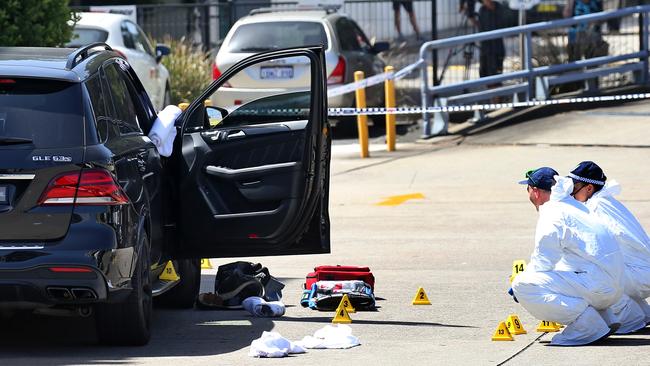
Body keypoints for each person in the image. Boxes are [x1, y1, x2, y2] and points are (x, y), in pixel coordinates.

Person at [511, 167, 625, 345]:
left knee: (523, 285)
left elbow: (544, 259)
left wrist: (522, 281)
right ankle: (605, 318)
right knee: (563, 268)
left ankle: (588, 327)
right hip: (615, 287)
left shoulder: (552, 211)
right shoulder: (573, 206)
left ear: (535, 191)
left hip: (600, 286)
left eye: (528, 189)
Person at [569, 161, 650, 332]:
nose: (571, 193)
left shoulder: (596, 207)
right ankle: (642, 312)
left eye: (574, 187)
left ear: (589, 188)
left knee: (581, 274)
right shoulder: (606, 202)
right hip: (642, 273)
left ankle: (629, 320)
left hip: (639, 276)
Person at [477, 0, 505, 83]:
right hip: (485, 49)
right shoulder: (482, 10)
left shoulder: (499, 8)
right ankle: (492, 93)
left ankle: (497, 94)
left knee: (496, 75)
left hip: (497, 48)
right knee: (485, 74)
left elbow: (504, 24)